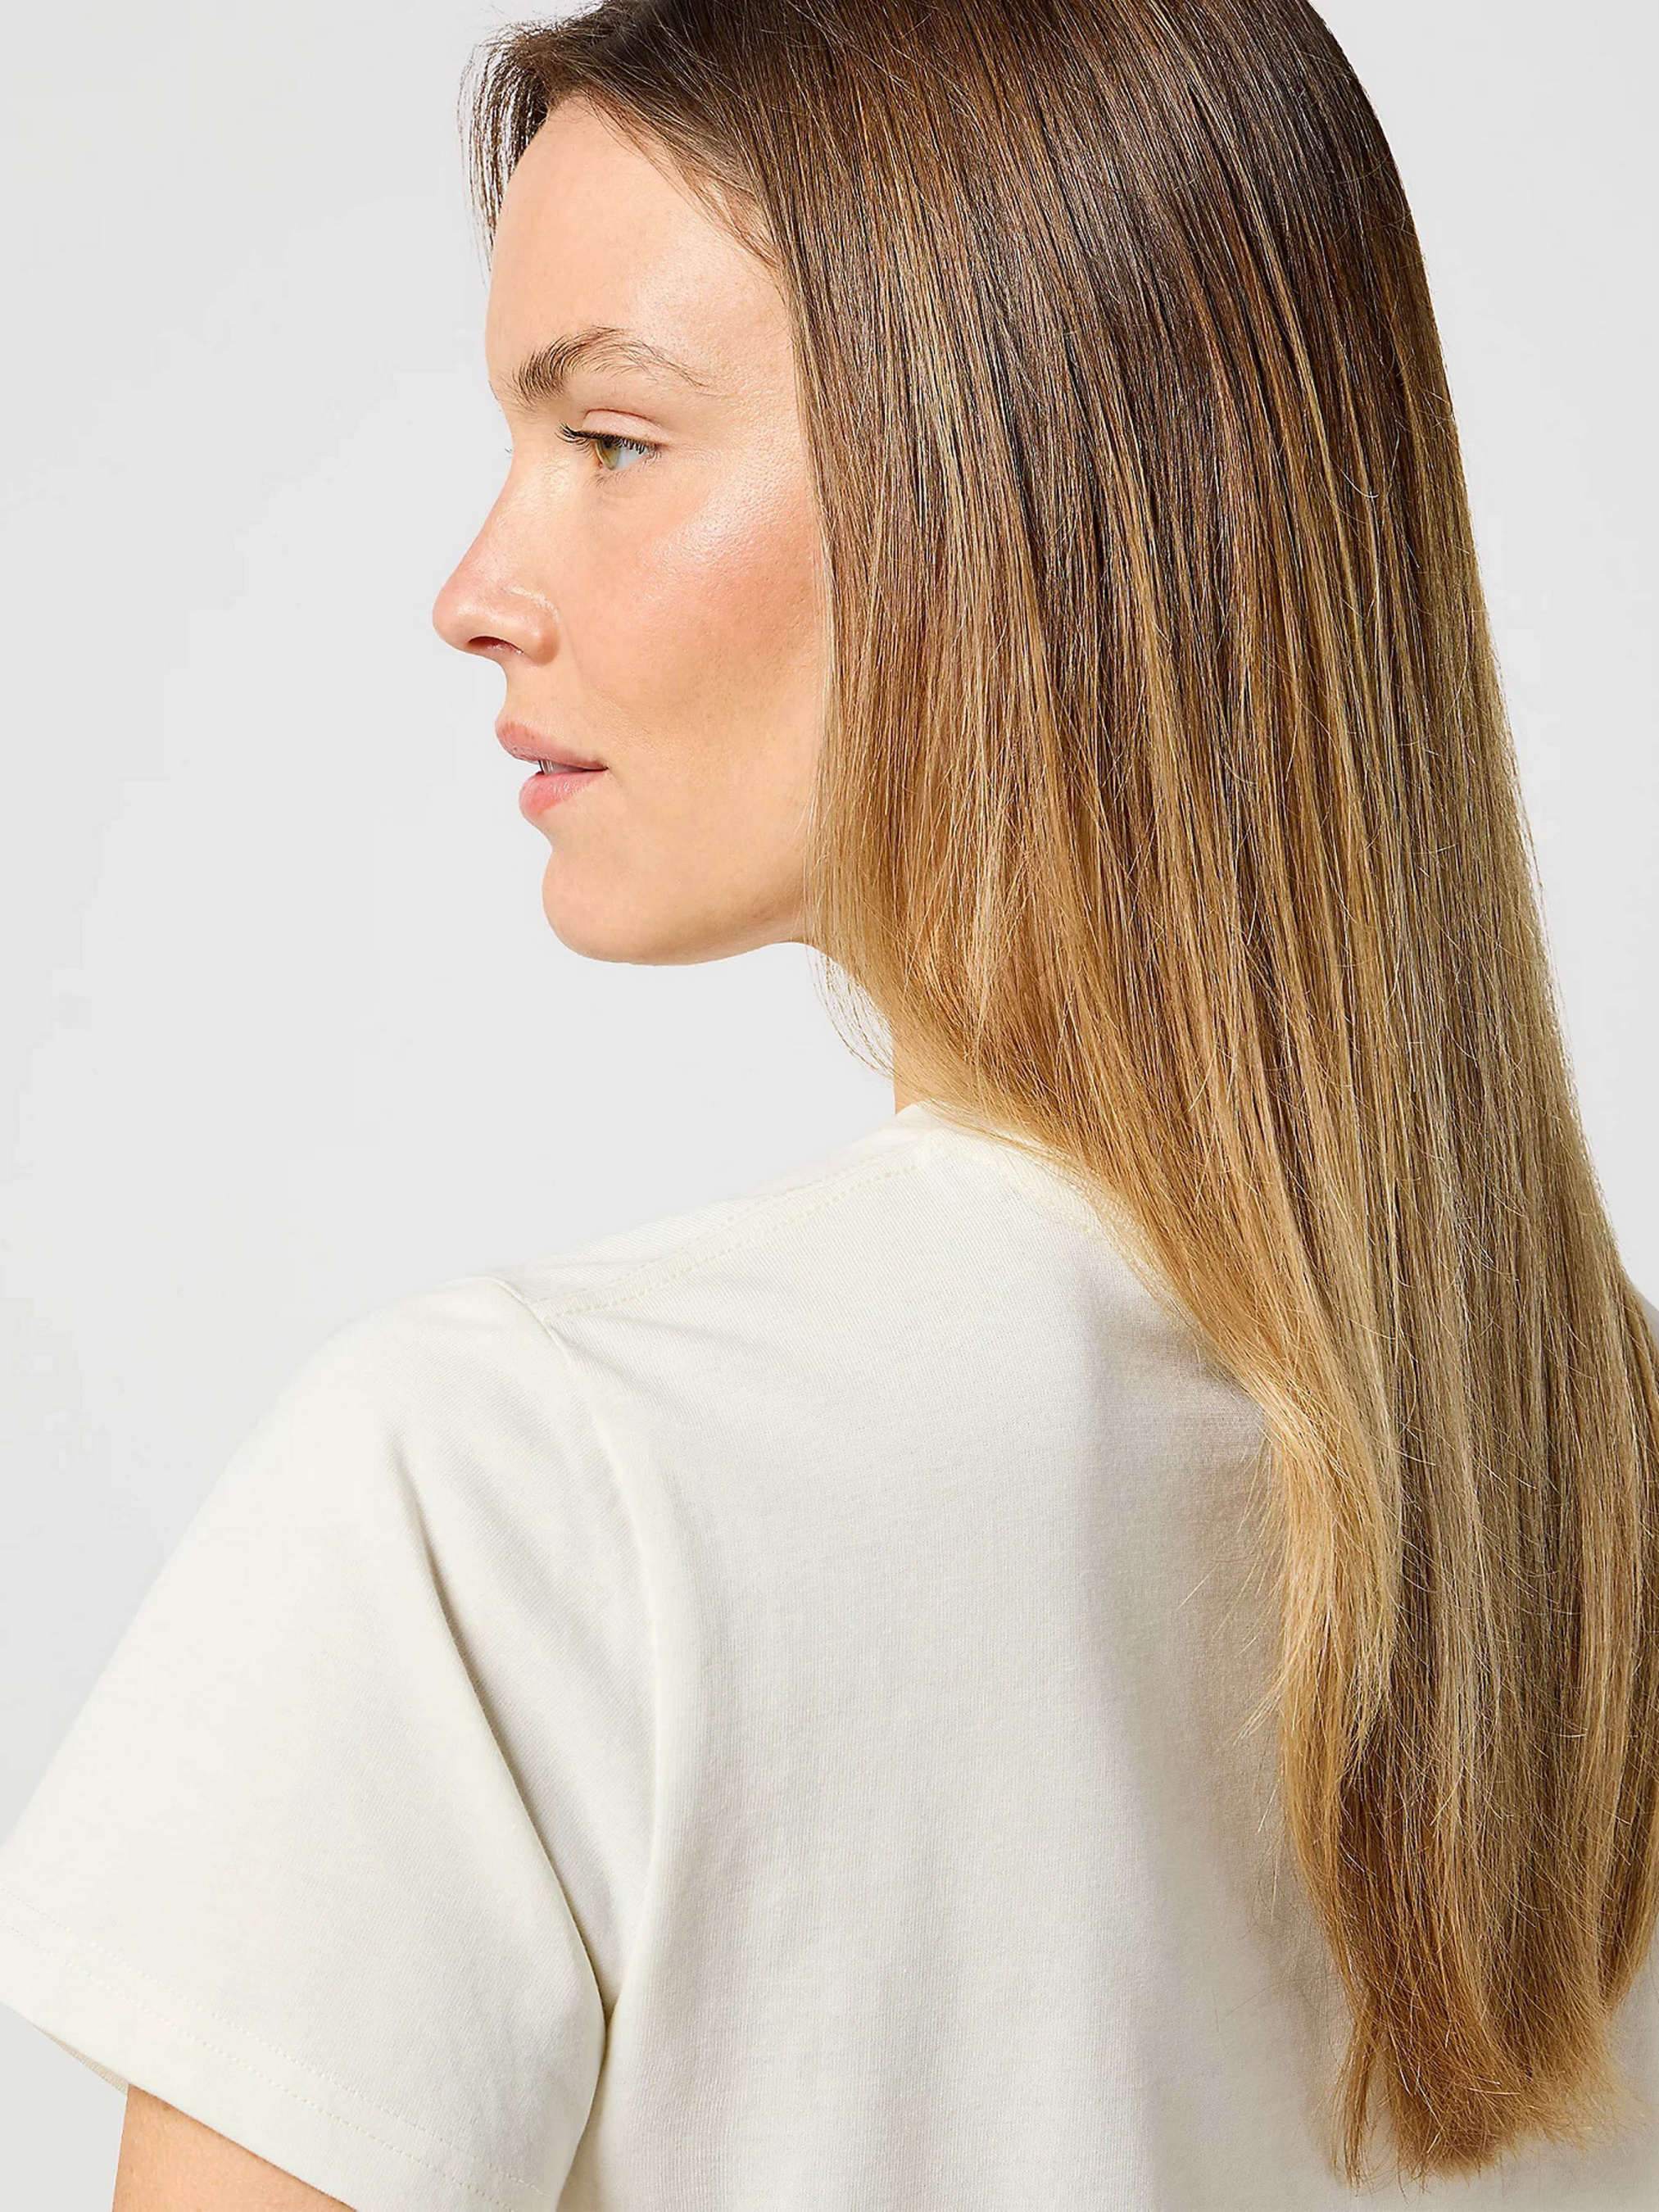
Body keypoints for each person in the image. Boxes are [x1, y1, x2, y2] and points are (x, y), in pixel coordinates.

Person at [2, 1, 1656, 2205]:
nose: (475, 594)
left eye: (610, 437)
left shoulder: (514, 1494)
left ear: (1032, 496)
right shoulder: (1606, 1485)